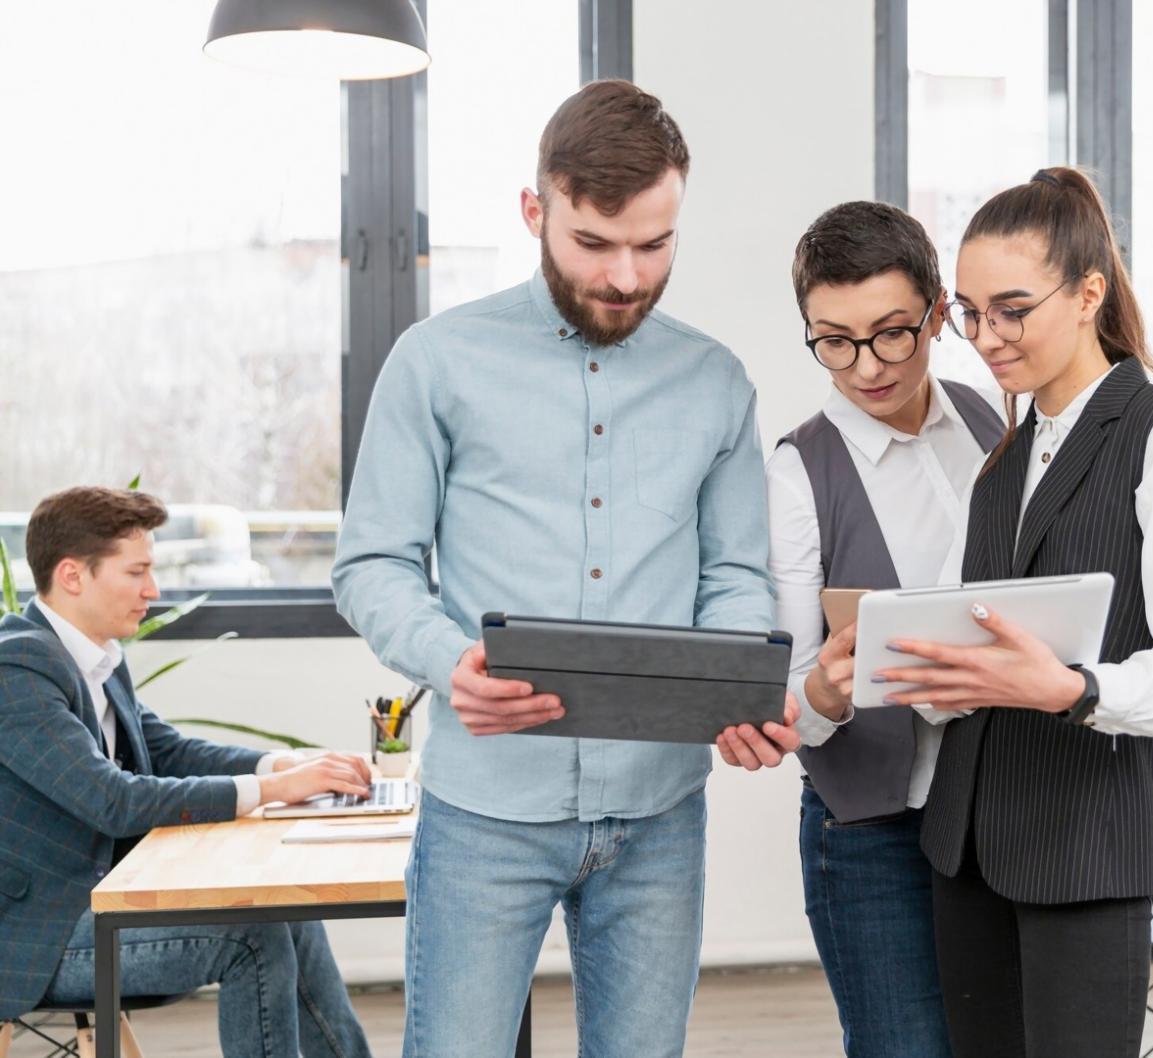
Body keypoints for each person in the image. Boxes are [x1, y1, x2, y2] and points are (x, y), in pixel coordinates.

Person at [332, 80, 799, 1058]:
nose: (627, 276)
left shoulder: (713, 380)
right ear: (535, 212)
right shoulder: (435, 362)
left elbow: (736, 576)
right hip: (482, 814)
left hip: (659, 811)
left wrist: (736, 686)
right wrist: (447, 657)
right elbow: (374, 563)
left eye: (655, 243)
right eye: (594, 243)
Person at [872, 167, 1153, 1056]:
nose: (986, 338)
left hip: (1084, 845)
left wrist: (1076, 689)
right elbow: (981, 650)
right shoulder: (1006, 460)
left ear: (1087, 293)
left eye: (1011, 309)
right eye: (969, 312)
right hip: (967, 846)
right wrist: (927, 674)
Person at [0, 486, 372, 1058]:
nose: (153, 590)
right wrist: (271, 790)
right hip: (33, 936)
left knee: (283, 909)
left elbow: (166, 751)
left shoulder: (93, 655)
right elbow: (113, 800)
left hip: (91, 905)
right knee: (252, 937)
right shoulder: (17, 667)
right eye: (137, 572)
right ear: (73, 576)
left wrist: (281, 763)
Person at [754, 200, 1002, 1057]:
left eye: (893, 332)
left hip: (993, 807)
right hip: (870, 831)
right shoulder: (798, 473)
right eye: (834, 341)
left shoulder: (986, 420)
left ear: (938, 312)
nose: (864, 366)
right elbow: (786, 700)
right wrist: (823, 684)